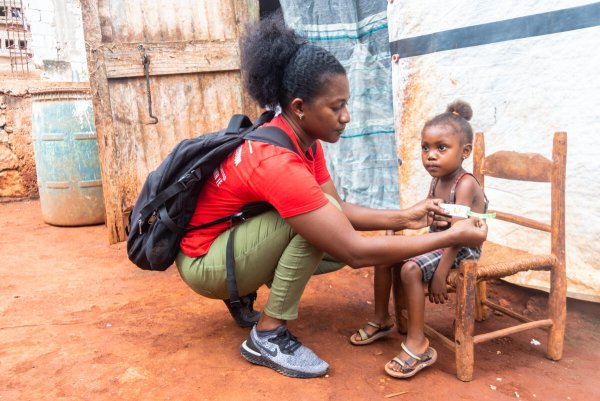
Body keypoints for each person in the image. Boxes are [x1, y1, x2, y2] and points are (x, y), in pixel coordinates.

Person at [175, 14, 487, 379]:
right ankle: (268, 334)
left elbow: (339, 209)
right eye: (336, 107)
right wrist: (451, 236)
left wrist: (407, 216)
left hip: (226, 245)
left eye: (346, 104)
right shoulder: (277, 160)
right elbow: (353, 251)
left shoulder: (300, 140)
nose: (347, 117)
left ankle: (249, 291)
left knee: (325, 216)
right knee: (315, 229)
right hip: (204, 264)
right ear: (299, 108)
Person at [349, 100, 488, 379]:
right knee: (384, 253)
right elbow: (426, 215)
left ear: (465, 152)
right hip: (441, 241)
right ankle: (381, 318)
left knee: (411, 269)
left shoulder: (465, 184)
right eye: (425, 148)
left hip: (462, 249)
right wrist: (398, 225)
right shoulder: (438, 180)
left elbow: (458, 235)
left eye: (441, 148)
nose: (431, 156)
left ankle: (418, 344)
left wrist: (439, 274)